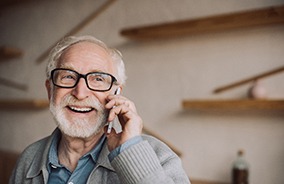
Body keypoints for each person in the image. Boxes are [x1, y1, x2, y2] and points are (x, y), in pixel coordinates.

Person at [9, 35, 190, 184]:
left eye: (98, 79)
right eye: (68, 77)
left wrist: (130, 152)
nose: (80, 93)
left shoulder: (159, 156)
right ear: (51, 90)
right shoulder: (29, 158)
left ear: (117, 93)